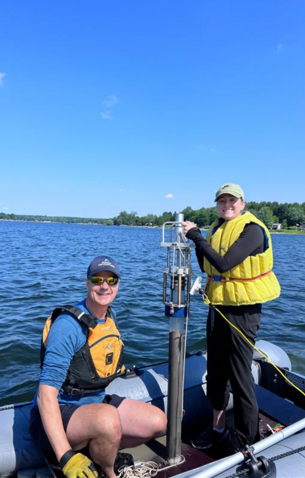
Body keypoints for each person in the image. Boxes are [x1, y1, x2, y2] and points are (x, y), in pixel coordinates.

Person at [30, 256, 167, 478]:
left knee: (157, 422)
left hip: (94, 402)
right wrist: (66, 456)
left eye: (111, 280)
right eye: (97, 279)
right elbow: (46, 395)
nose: (105, 286)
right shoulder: (68, 326)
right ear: (87, 283)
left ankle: (99, 454)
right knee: (108, 419)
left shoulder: (108, 316)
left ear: (118, 284)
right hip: (60, 411)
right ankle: (108, 472)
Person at [182, 183, 280, 452]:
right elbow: (207, 265)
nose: (227, 205)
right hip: (218, 306)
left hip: (243, 312)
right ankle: (218, 429)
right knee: (215, 374)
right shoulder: (216, 229)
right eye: (222, 201)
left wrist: (196, 237)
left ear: (242, 203)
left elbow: (225, 264)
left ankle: (247, 442)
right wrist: (199, 238)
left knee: (240, 376)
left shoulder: (252, 230)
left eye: (232, 200)